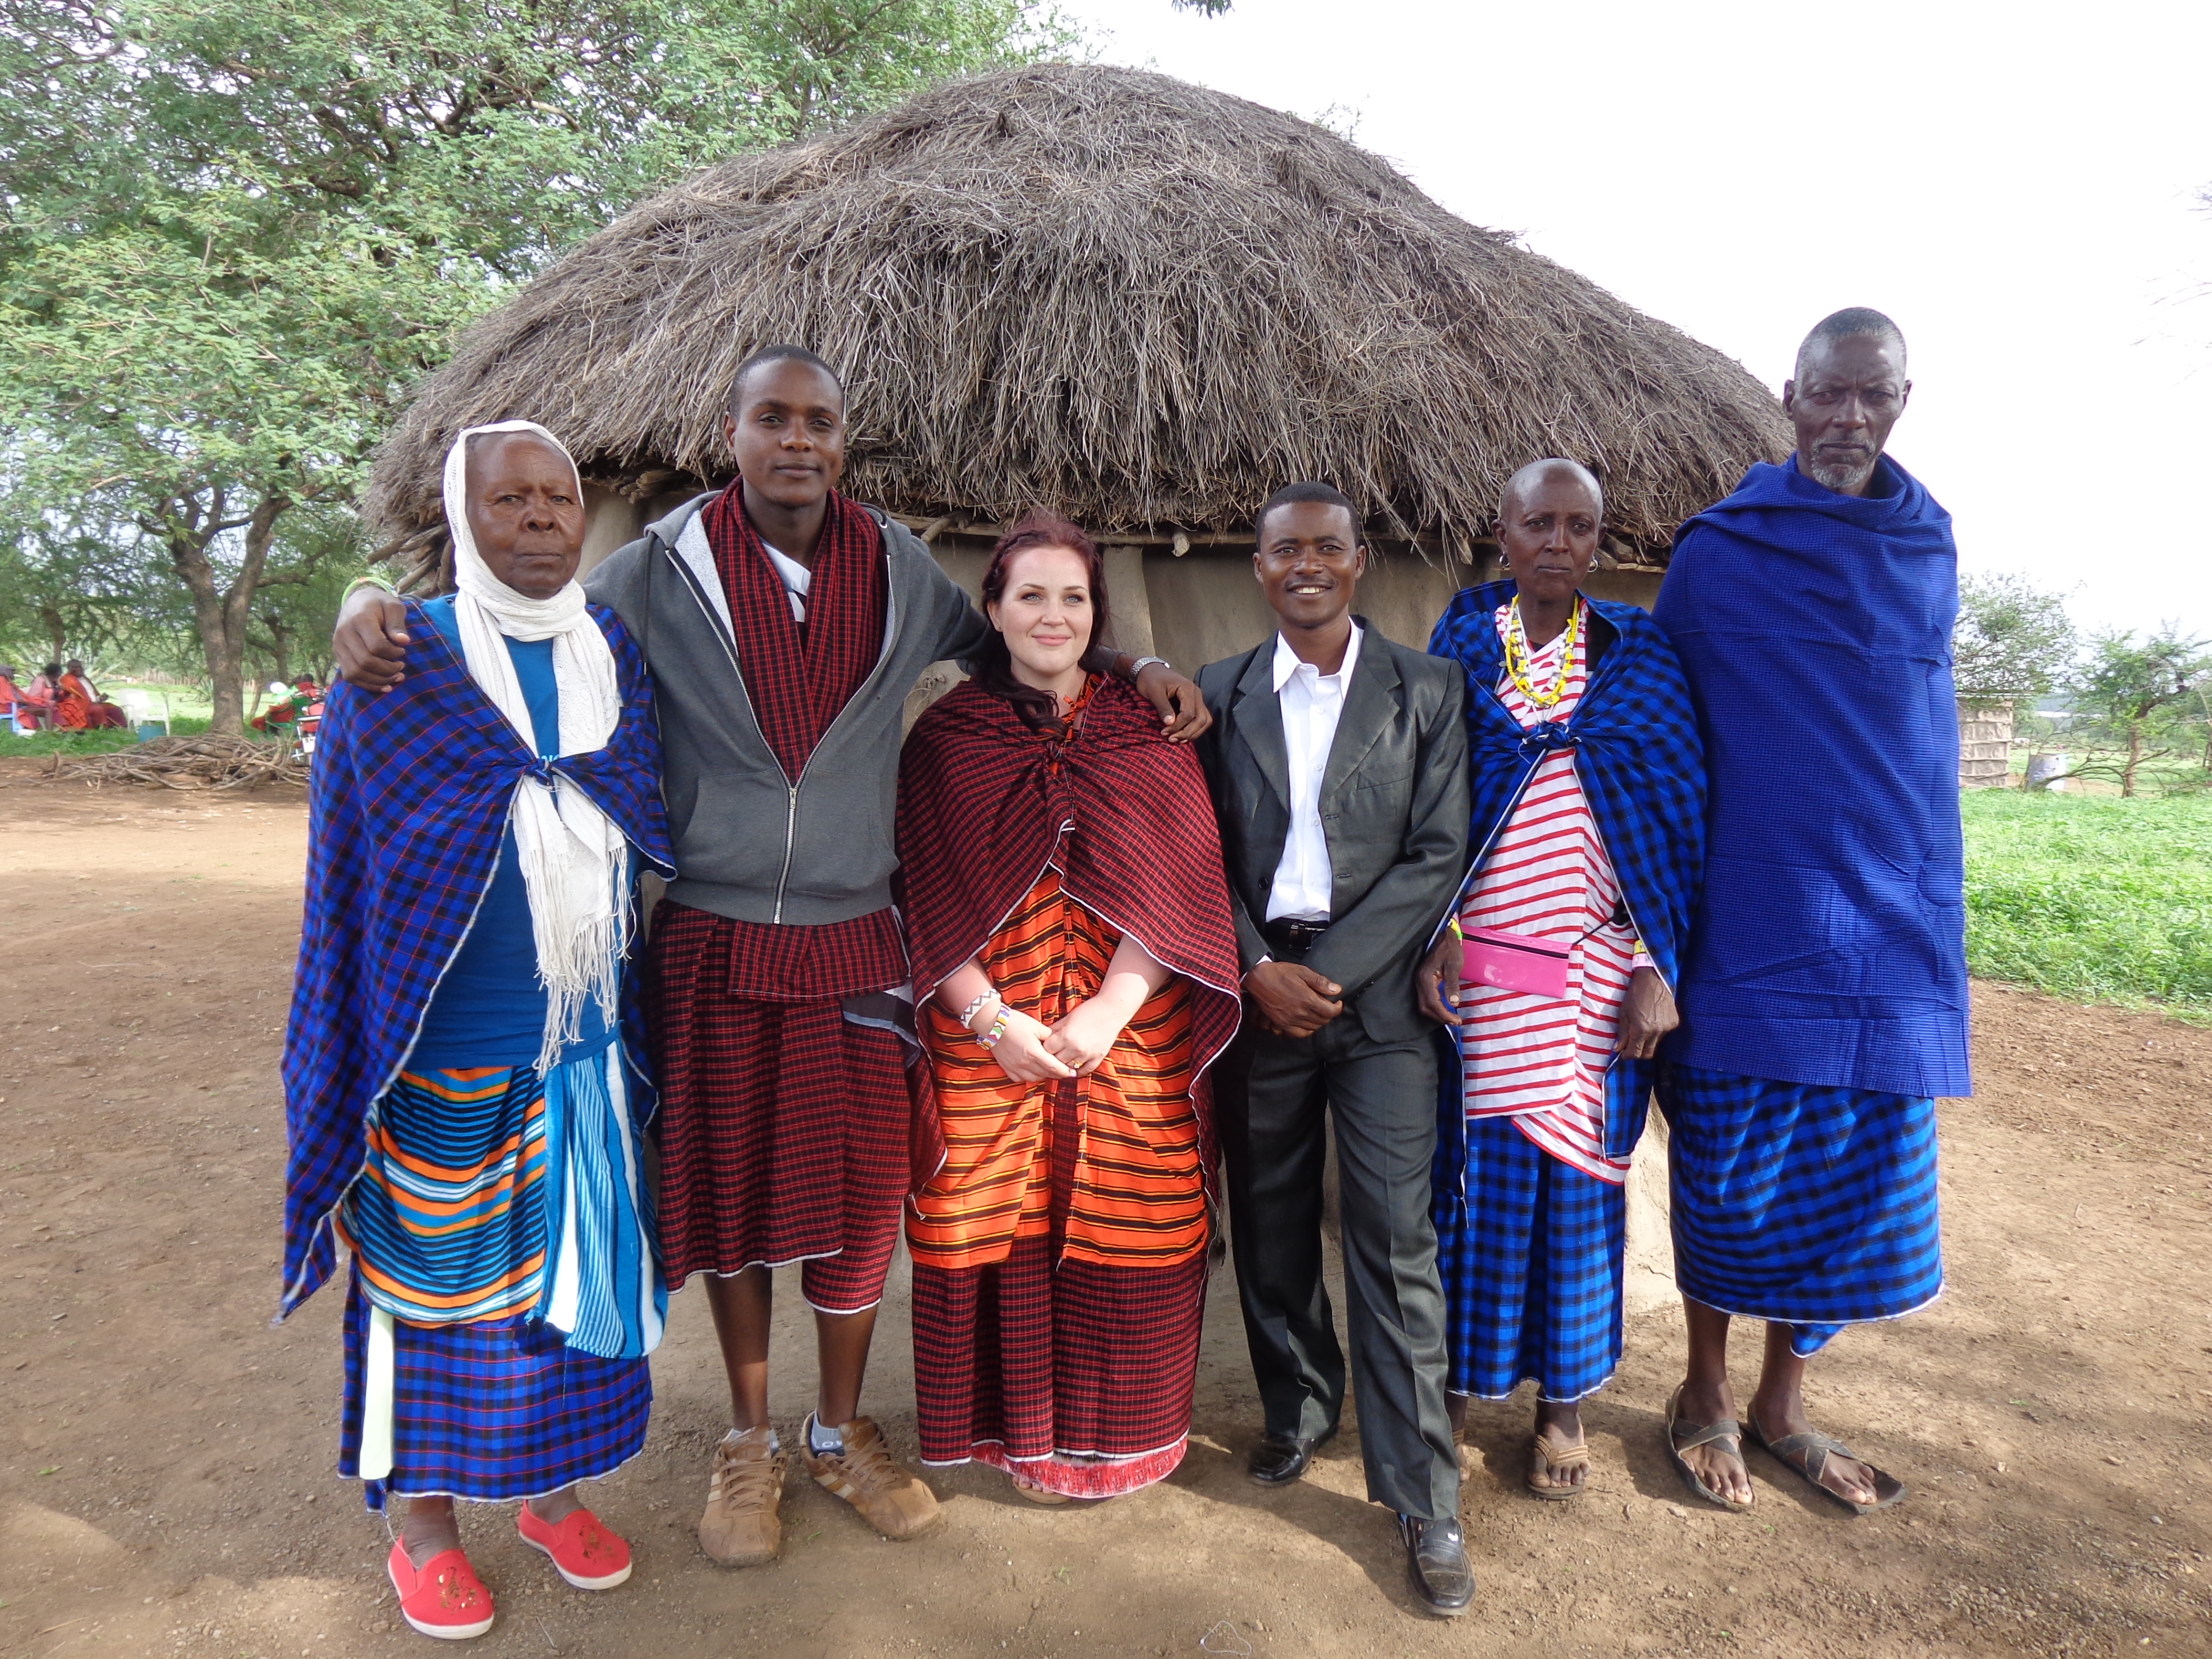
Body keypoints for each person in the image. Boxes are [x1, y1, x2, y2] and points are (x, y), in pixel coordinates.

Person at [329, 346, 1211, 1567]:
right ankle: (747, 1438)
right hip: (714, 932)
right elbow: (518, 617)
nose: (797, 440)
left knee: (856, 1205)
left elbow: (1028, 638)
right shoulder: (653, 571)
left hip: (857, 935)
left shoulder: (897, 567)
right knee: (727, 1196)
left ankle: (838, 1428)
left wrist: (1138, 662)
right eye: (771, 419)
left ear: (843, 441)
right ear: (730, 433)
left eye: (820, 422)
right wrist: (357, 606)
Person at [284, 421, 673, 1639]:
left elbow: (637, 802)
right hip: (438, 1060)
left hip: (583, 1054)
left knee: (567, 1293)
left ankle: (550, 1496)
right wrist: (358, 597)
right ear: (464, 517)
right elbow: (351, 876)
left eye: (561, 497)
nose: (547, 517)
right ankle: (424, 1529)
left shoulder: (610, 647)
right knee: (434, 1295)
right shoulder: (404, 664)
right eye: (513, 500)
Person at [1651, 308, 1959, 1516]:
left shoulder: (1923, 543)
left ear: (1901, 399)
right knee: (1731, 1158)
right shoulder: (1724, 549)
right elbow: (1667, 726)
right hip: (1748, 910)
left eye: (1869, 395)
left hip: (1883, 915)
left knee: (1839, 1167)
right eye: (1826, 393)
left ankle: (1783, 1400)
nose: (1846, 418)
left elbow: (1912, 741)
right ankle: (1702, 1389)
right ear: (1788, 396)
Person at [895, 516, 1243, 1503]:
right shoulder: (945, 743)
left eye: (1075, 597)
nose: (1054, 615)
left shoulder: (1150, 730)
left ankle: (1119, 1441)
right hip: (987, 1033)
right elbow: (921, 897)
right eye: (1033, 596)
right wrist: (993, 1024)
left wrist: (1107, 1012)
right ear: (993, 611)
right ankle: (1012, 1442)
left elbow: (1184, 885)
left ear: (1100, 614)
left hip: (1129, 1029)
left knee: (1142, 1216)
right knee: (983, 1218)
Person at [1195, 481, 1475, 1616]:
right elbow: (1193, 851)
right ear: (1257, 568)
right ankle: (1300, 1405)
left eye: (1326, 547)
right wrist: (1257, 964)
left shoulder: (1428, 688)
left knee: (1392, 1233)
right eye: (1283, 550)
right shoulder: (1217, 693)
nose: (1304, 565)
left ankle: (1421, 1492)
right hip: (1259, 987)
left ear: (1358, 561)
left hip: (1377, 1006)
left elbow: (1436, 846)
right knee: (1268, 1218)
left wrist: (1337, 972)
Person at [1413, 459, 1705, 1499]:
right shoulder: (1461, 642)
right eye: (1539, 522)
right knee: (1476, 1186)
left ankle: (1563, 1402)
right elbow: (1429, 794)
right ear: (1503, 532)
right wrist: (1437, 927)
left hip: (1598, 977)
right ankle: (1452, 1393)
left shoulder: (1641, 655)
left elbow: (1672, 822)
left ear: (1597, 541)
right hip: (1485, 966)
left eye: (1580, 526)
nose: (1559, 542)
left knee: (1586, 1189)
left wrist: (1652, 967)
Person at [58, 661, 126, 729]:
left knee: (115, 709)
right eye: (75, 667)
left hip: (95, 703)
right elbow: (67, 696)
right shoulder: (66, 679)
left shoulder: (86, 679)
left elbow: (93, 696)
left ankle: (121, 729)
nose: (78, 669)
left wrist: (100, 698)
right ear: (69, 668)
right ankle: (102, 729)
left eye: (80, 667)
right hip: (81, 705)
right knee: (97, 709)